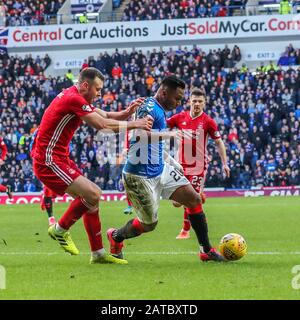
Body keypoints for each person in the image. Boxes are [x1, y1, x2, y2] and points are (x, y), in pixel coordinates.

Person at [31, 67, 153, 265]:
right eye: (97, 89)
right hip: (49, 160)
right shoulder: (74, 99)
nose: (99, 94)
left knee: (91, 202)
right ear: (85, 85)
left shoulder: (75, 96)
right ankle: (60, 229)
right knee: (94, 193)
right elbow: (102, 126)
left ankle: (98, 254)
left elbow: (104, 115)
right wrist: (135, 124)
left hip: (58, 158)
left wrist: (127, 113)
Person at [107, 75, 226, 262]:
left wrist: (171, 162)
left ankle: (206, 250)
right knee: (149, 225)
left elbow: (154, 146)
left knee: (194, 200)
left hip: (160, 169)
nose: (179, 103)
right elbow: (138, 135)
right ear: (164, 92)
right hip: (139, 177)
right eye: (177, 98)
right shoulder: (149, 108)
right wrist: (169, 134)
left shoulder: (160, 110)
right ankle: (116, 236)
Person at [167, 88, 230, 239]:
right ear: (189, 101)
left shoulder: (208, 122)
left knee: (191, 200)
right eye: (194, 101)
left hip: (198, 166)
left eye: (200, 101)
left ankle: (185, 230)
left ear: (204, 103)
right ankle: (199, 195)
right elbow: (162, 126)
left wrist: (225, 163)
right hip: (180, 165)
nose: (197, 104)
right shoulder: (179, 117)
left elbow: (219, 143)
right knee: (176, 203)